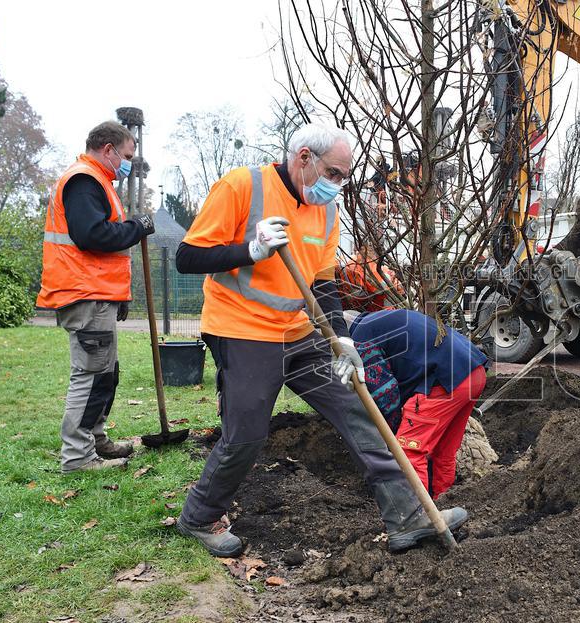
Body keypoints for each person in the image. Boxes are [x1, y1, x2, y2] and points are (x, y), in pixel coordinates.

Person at [173, 123, 468, 557]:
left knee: (360, 411)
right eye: (333, 173)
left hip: (298, 331)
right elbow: (187, 256)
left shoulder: (326, 211)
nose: (337, 185)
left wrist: (342, 341)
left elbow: (323, 284)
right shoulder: (242, 186)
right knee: (249, 432)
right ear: (304, 157)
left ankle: (407, 518)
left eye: (344, 177)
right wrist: (249, 251)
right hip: (241, 327)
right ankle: (197, 518)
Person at [37, 121, 155, 474]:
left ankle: (95, 439)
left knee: (105, 373)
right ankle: (76, 456)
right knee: (90, 375)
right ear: (108, 149)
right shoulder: (84, 181)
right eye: (127, 156)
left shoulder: (96, 181)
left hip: (95, 293)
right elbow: (92, 235)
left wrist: (119, 295)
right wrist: (137, 227)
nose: (129, 164)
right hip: (83, 293)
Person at [346, 309, 489, 499]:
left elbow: (385, 395)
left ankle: (419, 514)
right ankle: (443, 501)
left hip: (444, 382)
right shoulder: (379, 320)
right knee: (443, 452)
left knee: (408, 450)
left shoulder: (359, 339)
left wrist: (391, 432)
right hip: (473, 372)